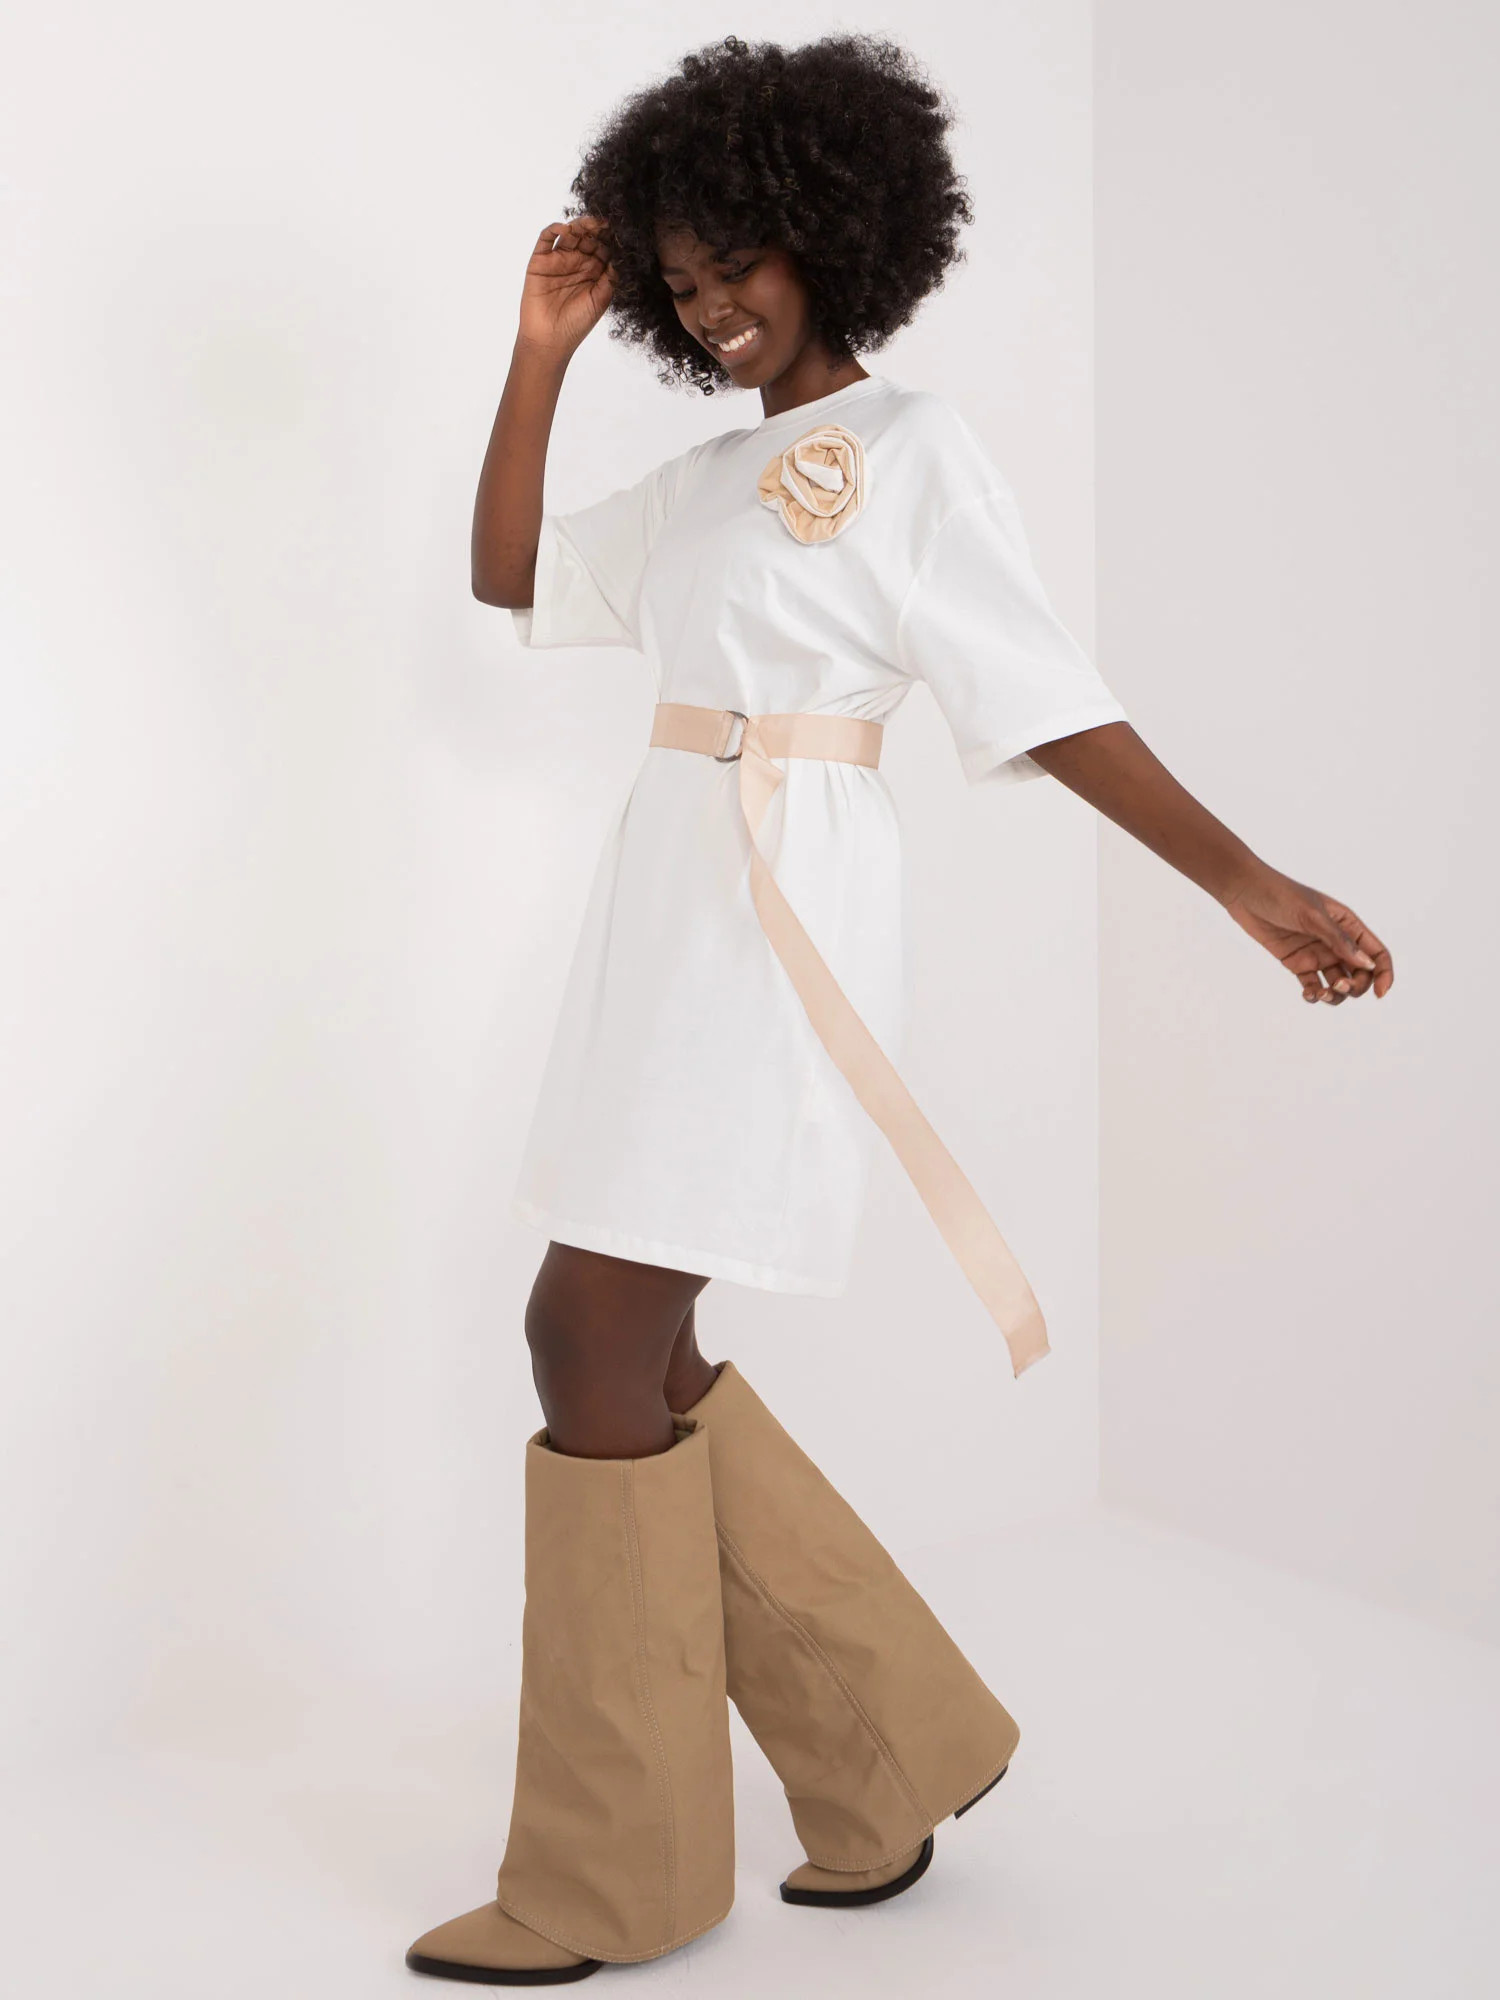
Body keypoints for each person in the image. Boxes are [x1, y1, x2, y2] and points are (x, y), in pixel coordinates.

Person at [404, 31, 1393, 1987]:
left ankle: (617, 1873)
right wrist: (541, 357)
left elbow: (1044, 695)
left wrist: (1244, 881)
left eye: (741, 263)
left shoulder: (919, 451)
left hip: (780, 916)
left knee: (580, 1328)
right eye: (682, 283)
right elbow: (509, 574)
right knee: (640, 1345)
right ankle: (896, 1752)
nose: (714, 304)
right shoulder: (705, 479)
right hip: (662, 905)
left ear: (834, 235)